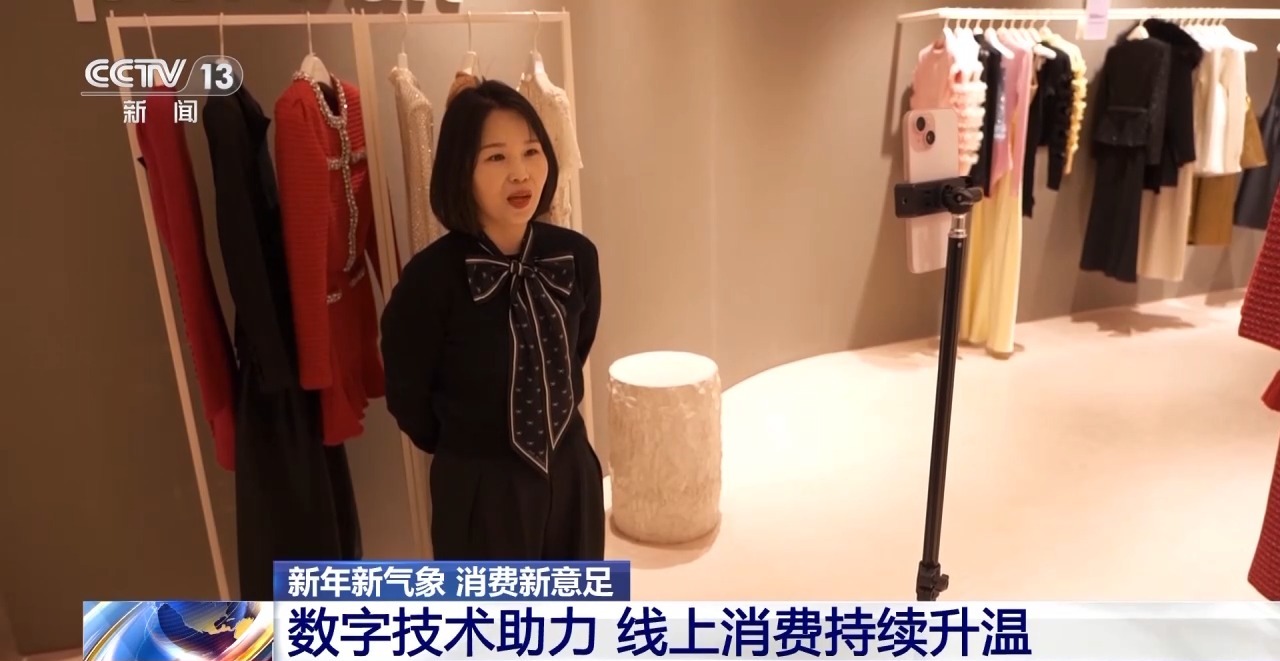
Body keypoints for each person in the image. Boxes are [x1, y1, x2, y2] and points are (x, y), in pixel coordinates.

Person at [380, 79, 605, 560]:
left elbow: (576, 350)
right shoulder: (428, 281)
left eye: (531, 151)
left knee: (580, 603)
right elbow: (408, 397)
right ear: (461, 169)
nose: (520, 174)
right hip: (481, 489)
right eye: (496, 157)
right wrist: (472, 451)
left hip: (571, 472)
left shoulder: (576, 256)